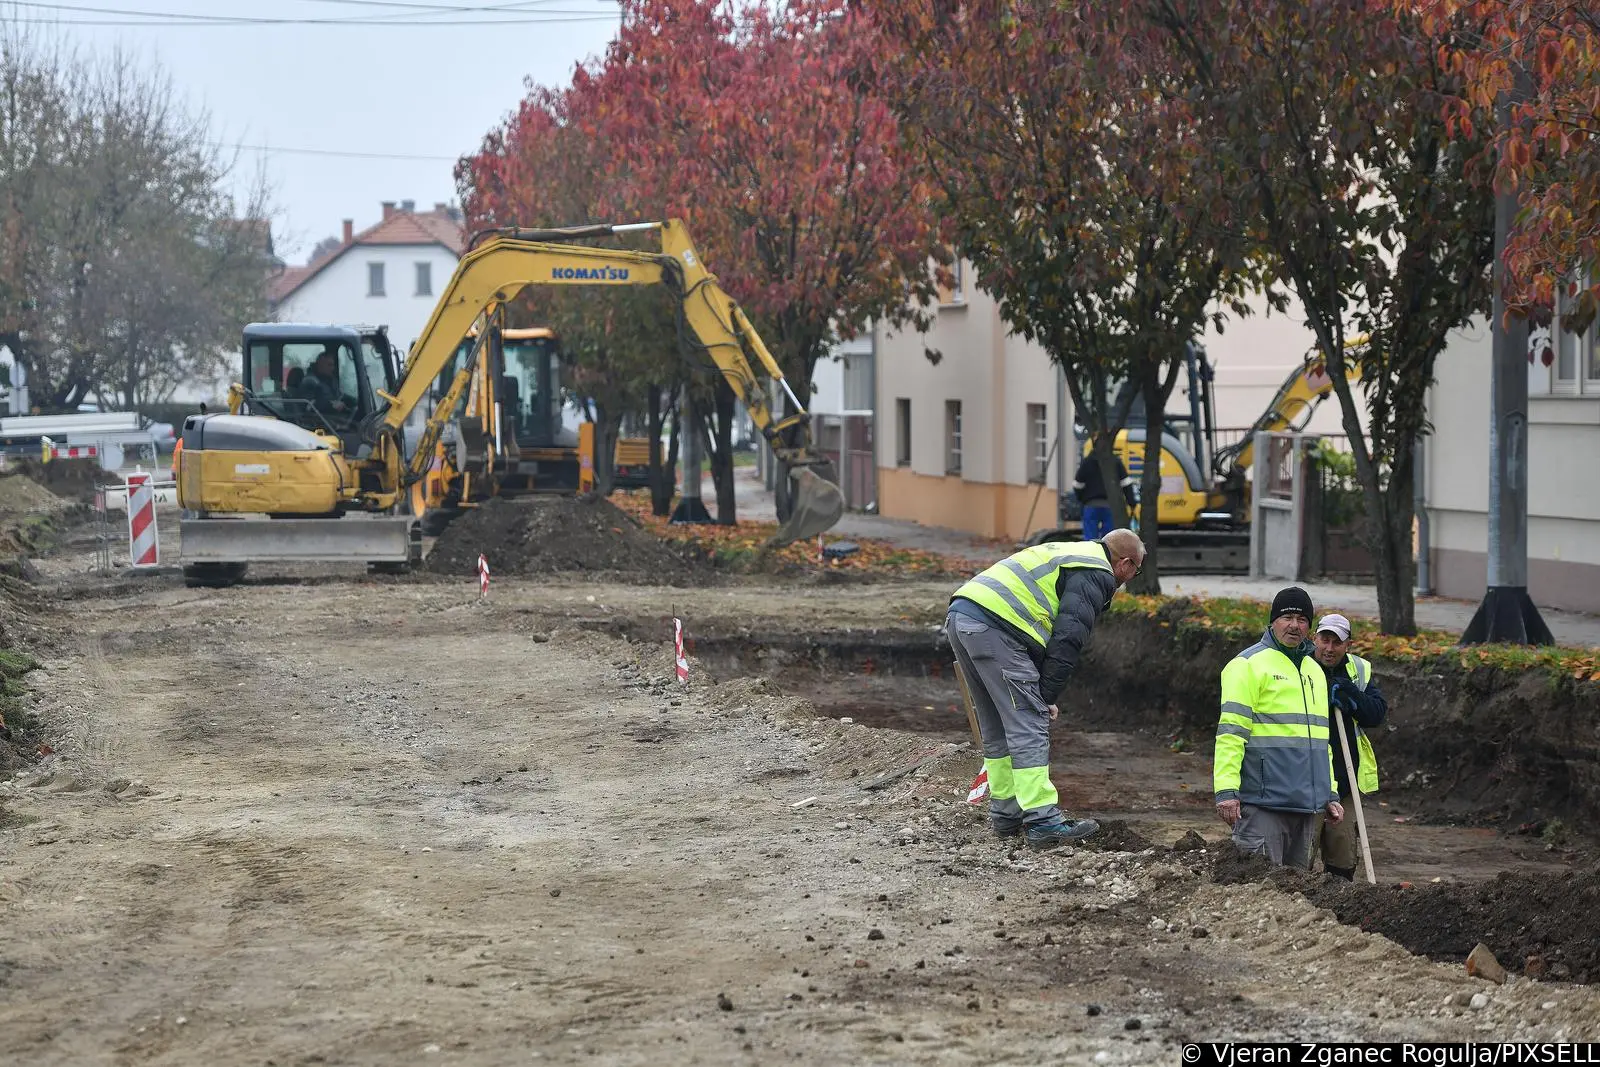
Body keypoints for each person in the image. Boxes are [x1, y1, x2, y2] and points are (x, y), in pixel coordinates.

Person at [945, 528, 1146, 849]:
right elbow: (1067, 641)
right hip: (996, 625)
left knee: (996, 725)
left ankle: (1006, 813)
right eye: (1137, 570)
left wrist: (1039, 691)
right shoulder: (1096, 573)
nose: (1132, 578)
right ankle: (1042, 820)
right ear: (1125, 563)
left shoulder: (1072, 554)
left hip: (964, 616)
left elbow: (1037, 630)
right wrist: (1045, 697)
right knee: (1028, 723)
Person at [1213, 587, 1344, 868]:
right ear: (1273, 621)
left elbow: (1323, 742)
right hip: (1264, 806)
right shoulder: (1247, 665)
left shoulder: (1313, 671)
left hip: (1307, 809)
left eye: (1302, 619)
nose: (1295, 626)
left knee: (1296, 899)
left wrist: (1329, 793)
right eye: (1287, 618)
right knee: (1255, 892)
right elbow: (1231, 733)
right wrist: (1226, 791)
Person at [1311, 613, 1387, 880]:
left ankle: (1338, 903)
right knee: (1301, 854)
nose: (1329, 649)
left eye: (1337, 642)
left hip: (1344, 778)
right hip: (1308, 775)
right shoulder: (1299, 666)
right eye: (1324, 640)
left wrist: (1351, 695)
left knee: (1342, 852)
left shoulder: (1358, 670)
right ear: (1315, 638)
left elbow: (1376, 714)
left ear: (1348, 645)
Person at [1072, 445, 1136, 541]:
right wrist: (1131, 503)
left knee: (1090, 538)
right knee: (1109, 539)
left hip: (1090, 505)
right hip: (1110, 506)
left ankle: (1091, 554)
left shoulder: (1087, 462)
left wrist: (1081, 499)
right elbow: (1126, 484)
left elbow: (1077, 485)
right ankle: (1106, 554)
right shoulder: (1115, 461)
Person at [295, 350, 349, 419]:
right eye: (329, 365)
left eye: (333, 365)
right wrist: (331, 405)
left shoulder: (330, 380)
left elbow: (339, 396)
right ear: (320, 365)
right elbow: (308, 406)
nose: (333, 368)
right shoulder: (310, 382)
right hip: (319, 421)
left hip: (333, 417)